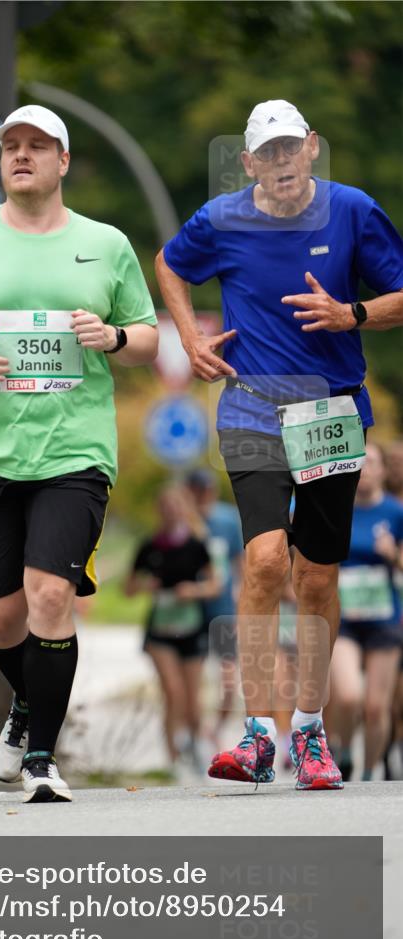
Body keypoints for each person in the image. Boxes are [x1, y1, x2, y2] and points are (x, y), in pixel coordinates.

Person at [0, 105, 158, 802]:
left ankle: (42, 757)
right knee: (0, 617)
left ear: (62, 160)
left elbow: (147, 336)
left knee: (49, 595)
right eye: (10, 146)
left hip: (74, 452)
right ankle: (27, 706)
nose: (20, 155)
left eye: (36, 145)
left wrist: (111, 338)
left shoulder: (104, 244)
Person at [156, 98, 403, 790]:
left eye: (290, 148)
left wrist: (349, 312)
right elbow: (170, 263)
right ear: (247, 164)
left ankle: (310, 729)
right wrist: (190, 338)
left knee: (315, 577)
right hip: (253, 410)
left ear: (312, 148)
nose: (281, 162)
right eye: (267, 153)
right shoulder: (221, 220)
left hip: (330, 412)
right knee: (265, 559)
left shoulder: (353, 210)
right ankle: (258, 735)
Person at [124, 484, 219, 777]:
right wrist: (144, 585)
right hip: (160, 631)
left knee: (192, 700)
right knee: (173, 692)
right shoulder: (149, 546)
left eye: (177, 506)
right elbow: (127, 588)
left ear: (184, 509)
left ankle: (192, 744)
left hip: (191, 628)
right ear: (160, 511)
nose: (171, 512)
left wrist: (194, 590)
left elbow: (216, 585)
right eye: (166, 507)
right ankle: (173, 758)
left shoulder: (196, 545)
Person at [328, 443, 403, 781]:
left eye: (372, 462)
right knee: (347, 696)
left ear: (383, 471)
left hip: (384, 619)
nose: (365, 468)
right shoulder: (337, 507)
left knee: (376, 707)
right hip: (344, 616)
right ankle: (342, 751)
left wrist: (392, 555)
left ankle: (370, 773)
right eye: (359, 461)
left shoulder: (395, 512)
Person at [185, 468, 242, 746]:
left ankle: (217, 728)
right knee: (192, 679)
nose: (202, 496)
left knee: (229, 676)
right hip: (191, 610)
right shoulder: (182, 521)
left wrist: (242, 600)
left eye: (205, 490)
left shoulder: (228, 520)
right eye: (196, 491)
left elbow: (240, 562)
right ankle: (195, 734)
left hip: (223, 609)